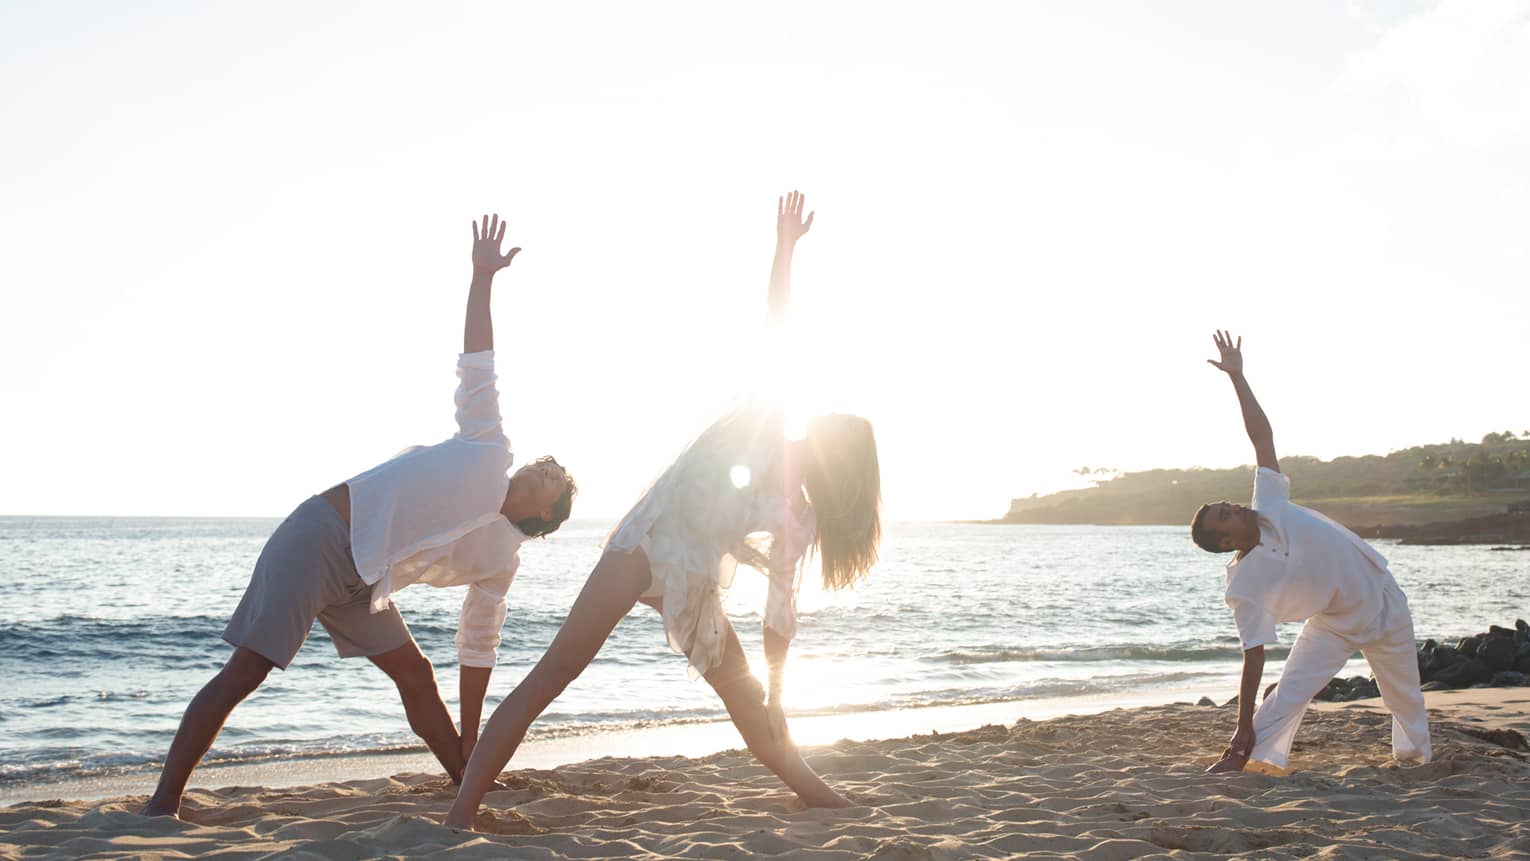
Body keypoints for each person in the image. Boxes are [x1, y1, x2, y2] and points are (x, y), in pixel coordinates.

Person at [443, 191, 881, 829]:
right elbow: (775, 328)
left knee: (750, 704)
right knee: (552, 674)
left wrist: (782, 696)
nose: (816, 424)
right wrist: (784, 251)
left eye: (828, 430)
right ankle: (461, 814)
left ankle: (819, 796)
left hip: (694, 583)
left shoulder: (800, 516)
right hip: (642, 551)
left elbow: (779, 612)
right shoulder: (764, 417)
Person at [142, 214, 577, 817]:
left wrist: (475, 739)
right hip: (322, 538)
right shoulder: (488, 447)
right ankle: (163, 802)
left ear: (546, 513)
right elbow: (479, 363)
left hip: (362, 579)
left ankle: (465, 777)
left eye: (553, 479)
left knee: (417, 675)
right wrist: (482, 280)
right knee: (247, 672)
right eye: (545, 466)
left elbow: (478, 645)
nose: (542, 469)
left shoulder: (502, 560)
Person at [1191, 330, 1431, 773]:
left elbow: (1262, 437)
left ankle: (1415, 764)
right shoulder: (1244, 585)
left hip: (1383, 596)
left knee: (1405, 696)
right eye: (1225, 515)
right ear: (1224, 542)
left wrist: (1237, 378)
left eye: (1226, 505)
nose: (1233, 506)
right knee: (1289, 694)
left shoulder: (1270, 506)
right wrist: (1241, 722)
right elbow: (1254, 656)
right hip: (1335, 625)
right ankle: (1242, 757)